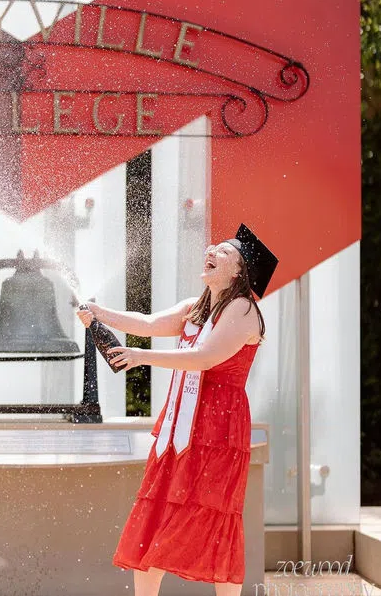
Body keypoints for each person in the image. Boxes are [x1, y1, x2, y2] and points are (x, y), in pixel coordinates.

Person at [76, 224, 278, 596]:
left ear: (239, 271)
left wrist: (140, 357)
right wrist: (98, 312)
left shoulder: (244, 309)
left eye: (224, 251)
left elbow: (204, 358)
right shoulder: (196, 307)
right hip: (179, 429)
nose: (211, 250)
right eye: (212, 247)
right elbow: (148, 323)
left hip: (219, 429)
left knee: (214, 515)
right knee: (156, 515)